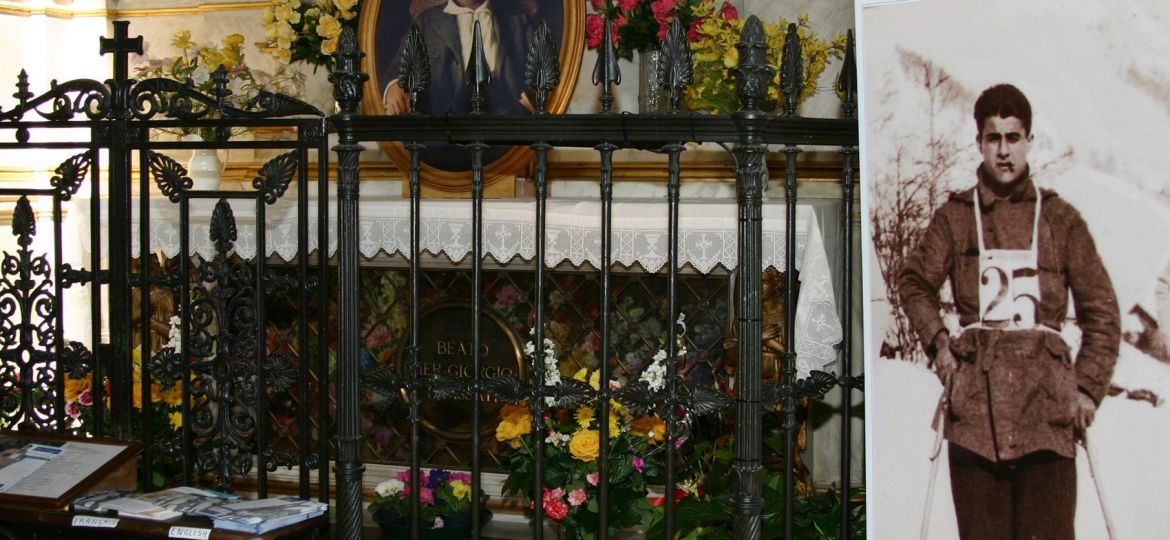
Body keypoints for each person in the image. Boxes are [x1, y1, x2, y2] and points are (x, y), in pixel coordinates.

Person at [898, 83, 1120, 539]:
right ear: (979, 142)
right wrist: (939, 345)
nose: (1003, 151)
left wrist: (1086, 392)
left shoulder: (1061, 220)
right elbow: (914, 282)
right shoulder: (956, 218)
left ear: (1029, 141)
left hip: (1048, 420)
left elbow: (1103, 313)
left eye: (1013, 138)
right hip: (976, 420)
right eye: (993, 138)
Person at [381, 0, 536, 171]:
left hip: (505, 132)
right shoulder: (427, 22)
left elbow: (540, 76)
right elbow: (398, 68)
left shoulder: (517, 20)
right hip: (444, 132)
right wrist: (393, 86)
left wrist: (532, 97)